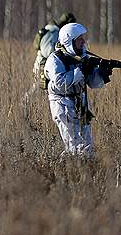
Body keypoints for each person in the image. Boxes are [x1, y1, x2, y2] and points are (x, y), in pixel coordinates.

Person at [44, 22, 111, 157]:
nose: (83, 42)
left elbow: (93, 83)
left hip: (81, 104)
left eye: (83, 38)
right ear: (69, 41)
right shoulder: (55, 60)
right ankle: (68, 172)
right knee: (75, 146)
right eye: (79, 39)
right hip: (63, 104)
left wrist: (101, 74)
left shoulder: (82, 57)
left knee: (87, 146)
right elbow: (59, 83)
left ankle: (84, 171)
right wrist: (80, 71)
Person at [31, 11, 77, 92]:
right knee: (37, 90)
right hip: (43, 66)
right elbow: (47, 52)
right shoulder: (53, 32)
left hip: (46, 66)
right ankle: (24, 103)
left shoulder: (52, 30)